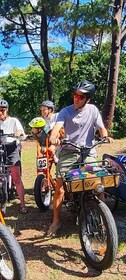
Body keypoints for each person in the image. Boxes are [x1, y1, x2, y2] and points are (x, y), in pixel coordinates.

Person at [47, 80, 113, 237]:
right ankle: (56, 221)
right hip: (69, 151)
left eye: (81, 96)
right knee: (60, 188)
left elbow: (101, 128)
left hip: (88, 152)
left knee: (98, 184)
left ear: (87, 99)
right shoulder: (66, 111)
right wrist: (54, 138)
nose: (76, 98)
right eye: (75, 95)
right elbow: (56, 128)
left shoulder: (93, 110)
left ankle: (104, 220)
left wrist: (105, 136)